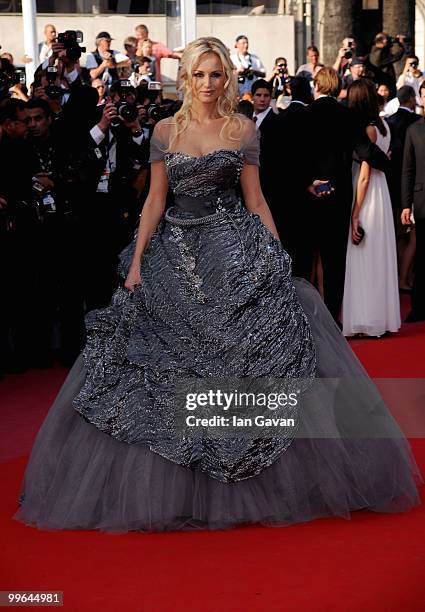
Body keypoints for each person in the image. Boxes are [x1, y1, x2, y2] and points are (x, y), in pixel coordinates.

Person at [15, 37, 420, 533]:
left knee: (253, 351)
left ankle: (254, 477)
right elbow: (154, 202)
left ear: (227, 77)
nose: (209, 83)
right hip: (174, 254)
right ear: (186, 77)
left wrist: (276, 252)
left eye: (217, 74)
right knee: (159, 359)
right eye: (201, 74)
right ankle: (179, 482)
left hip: (232, 251)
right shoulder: (166, 130)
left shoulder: (242, 129)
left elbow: (257, 200)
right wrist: (138, 262)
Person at [302, 68, 391, 323]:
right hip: (339, 197)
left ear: (316, 86)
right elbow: (366, 151)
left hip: (308, 197)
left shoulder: (303, 115)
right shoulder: (348, 116)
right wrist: (389, 166)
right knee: (334, 262)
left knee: (308, 257)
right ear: (337, 86)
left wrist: (306, 181)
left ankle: (307, 317)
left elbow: (293, 156)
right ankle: (331, 318)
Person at [342, 79, 400, 337]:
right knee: (378, 256)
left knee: (363, 255)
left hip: (367, 194)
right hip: (382, 191)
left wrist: (355, 213)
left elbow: (364, 175)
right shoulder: (384, 125)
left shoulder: (368, 129)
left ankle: (364, 320)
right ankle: (381, 318)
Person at [401, 117, 425, 322]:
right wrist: (406, 205)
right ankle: (419, 307)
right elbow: (407, 170)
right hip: (422, 201)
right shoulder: (414, 129)